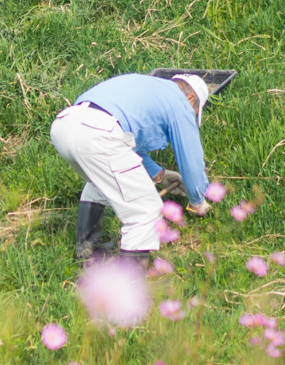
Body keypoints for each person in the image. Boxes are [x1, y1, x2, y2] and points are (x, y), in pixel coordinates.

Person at [49, 71, 213, 265]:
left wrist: (158, 173)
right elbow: (191, 159)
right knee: (145, 209)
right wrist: (198, 201)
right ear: (190, 98)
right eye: (194, 112)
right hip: (98, 133)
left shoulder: (151, 88)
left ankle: (87, 250)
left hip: (66, 124)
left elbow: (127, 140)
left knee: (100, 181)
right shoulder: (180, 102)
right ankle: (130, 284)